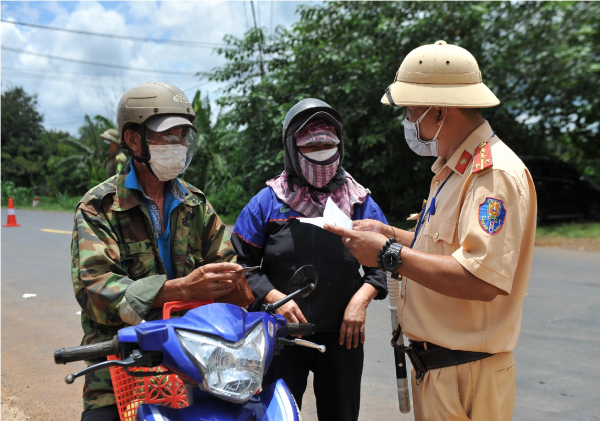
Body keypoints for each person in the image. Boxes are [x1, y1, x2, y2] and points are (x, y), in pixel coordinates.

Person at [324, 41, 537, 421]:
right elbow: (443, 249)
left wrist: (388, 254)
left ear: (439, 110)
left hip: (467, 375)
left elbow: (481, 280)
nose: (408, 121)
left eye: (410, 111)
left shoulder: (493, 175)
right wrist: (386, 232)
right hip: (441, 370)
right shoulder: (452, 169)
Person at [71, 82, 250, 421]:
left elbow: (228, 266)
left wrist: (244, 292)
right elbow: (96, 290)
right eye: (167, 136)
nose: (177, 146)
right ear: (132, 139)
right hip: (123, 365)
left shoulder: (195, 204)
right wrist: (182, 289)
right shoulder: (99, 207)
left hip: (194, 360)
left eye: (183, 136)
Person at [232, 99, 389, 421]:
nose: (321, 152)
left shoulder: (358, 201)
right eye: (311, 145)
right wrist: (275, 299)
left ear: (340, 147)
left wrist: (360, 301)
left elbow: (382, 263)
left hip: (344, 334)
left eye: (327, 145)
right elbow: (242, 267)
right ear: (292, 148)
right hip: (281, 333)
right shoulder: (267, 203)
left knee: (342, 413)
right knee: (279, 414)